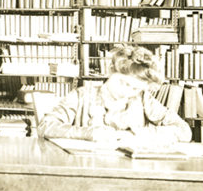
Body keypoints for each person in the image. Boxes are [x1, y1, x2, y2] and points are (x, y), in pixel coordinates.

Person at [39, 44, 191, 145]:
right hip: (89, 169)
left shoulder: (144, 99)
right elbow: (46, 126)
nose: (127, 91)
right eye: (124, 83)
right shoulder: (81, 96)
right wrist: (88, 133)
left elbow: (184, 131)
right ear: (111, 71)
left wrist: (135, 135)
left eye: (135, 88)